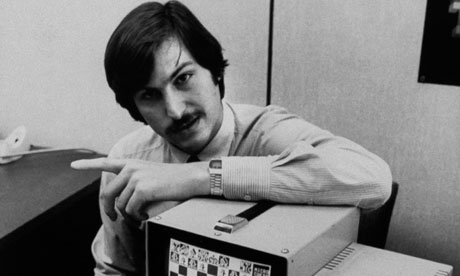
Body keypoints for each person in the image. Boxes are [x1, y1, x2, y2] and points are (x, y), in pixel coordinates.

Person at [71, 1, 392, 275]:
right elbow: (117, 269)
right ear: (135, 107)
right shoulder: (129, 157)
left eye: (183, 78)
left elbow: (374, 180)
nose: (175, 109)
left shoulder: (266, 131)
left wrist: (199, 177)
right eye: (150, 95)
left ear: (215, 72)